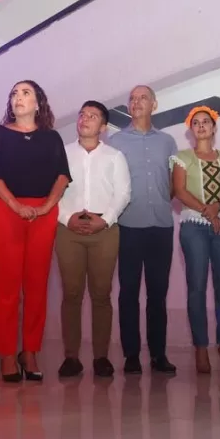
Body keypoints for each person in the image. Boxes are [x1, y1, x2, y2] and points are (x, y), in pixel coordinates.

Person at [0, 80, 70, 382]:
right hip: (7, 209)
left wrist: (45, 207)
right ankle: (7, 353)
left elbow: (62, 175)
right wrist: (14, 205)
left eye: (25, 93)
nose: (19, 98)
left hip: (43, 212)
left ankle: (30, 351)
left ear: (38, 103)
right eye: (14, 94)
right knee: (8, 285)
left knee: (37, 285)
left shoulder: (51, 137)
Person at [55, 101, 131, 379]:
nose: (85, 119)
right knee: (71, 294)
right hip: (68, 229)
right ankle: (71, 357)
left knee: (101, 295)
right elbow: (52, 193)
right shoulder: (61, 154)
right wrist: (66, 219)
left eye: (93, 116)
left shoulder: (115, 156)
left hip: (105, 229)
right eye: (82, 114)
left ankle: (101, 357)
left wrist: (105, 219)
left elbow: (123, 194)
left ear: (103, 126)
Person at [110, 85, 179, 374]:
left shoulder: (168, 142)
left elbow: (175, 182)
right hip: (127, 225)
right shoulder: (115, 141)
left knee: (158, 294)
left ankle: (158, 355)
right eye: (132, 99)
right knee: (128, 292)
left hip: (161, 224)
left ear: (154, 104)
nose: (136, 102)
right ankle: (131, 355)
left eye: (143, 98)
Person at [171, 106, 220, 374]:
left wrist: (218, 206)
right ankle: (201, 349)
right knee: (196, 288)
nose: (201, 126)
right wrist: (207, 211)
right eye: (196, 123)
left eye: (205, 122)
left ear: (214, 128)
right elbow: (179, 190)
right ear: (191, 130)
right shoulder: (182, 157)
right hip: (193, 225)